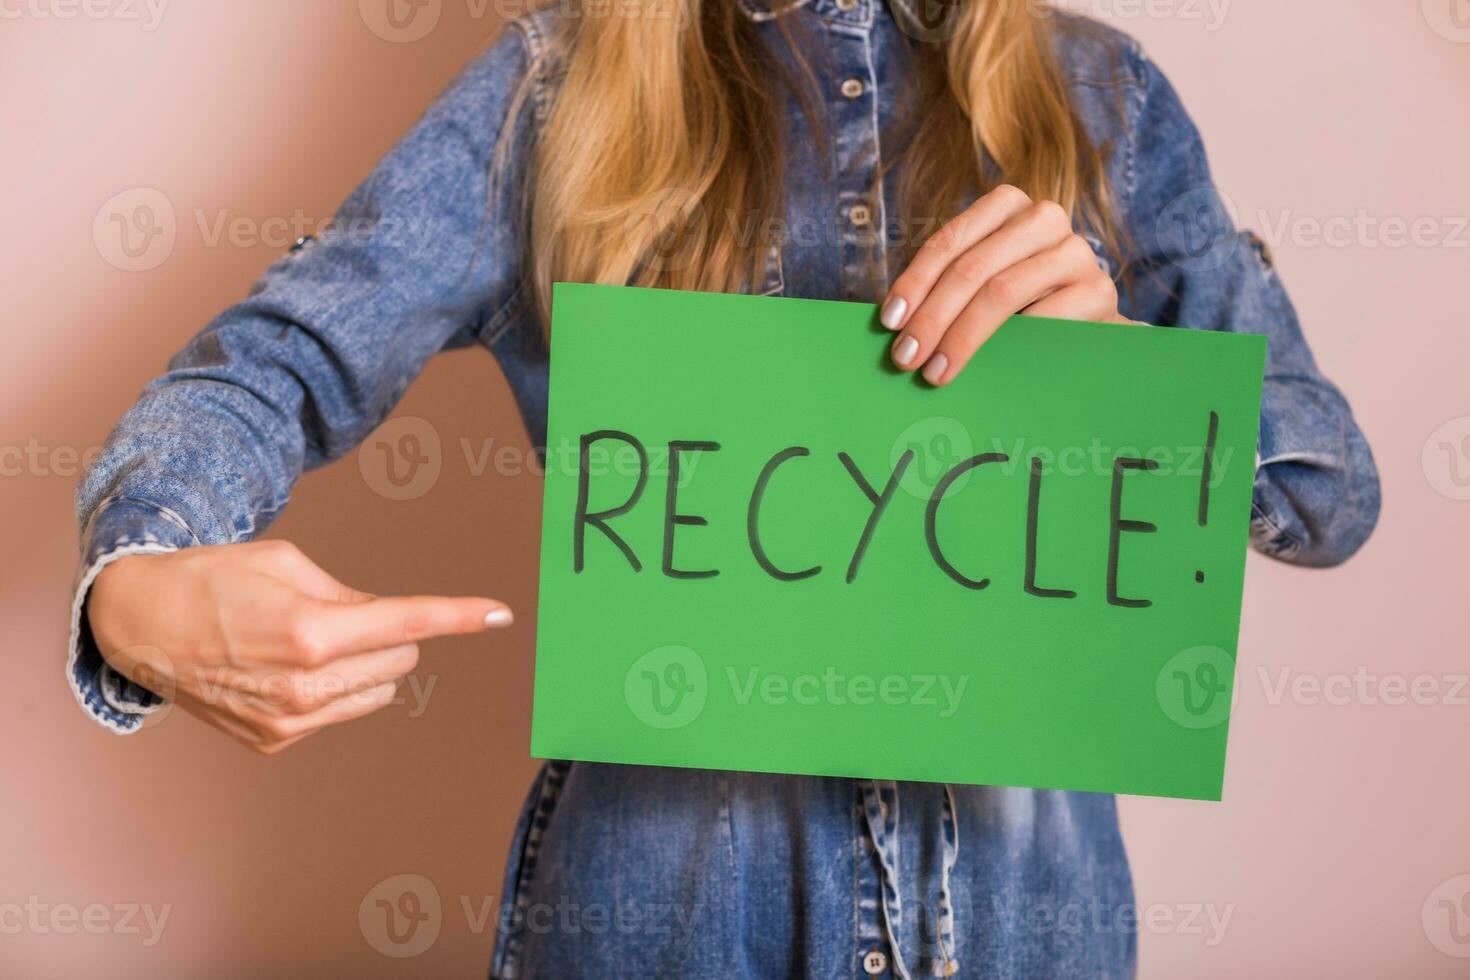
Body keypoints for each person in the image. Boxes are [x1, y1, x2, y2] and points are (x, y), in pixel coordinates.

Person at [71, 1, 1380, 975]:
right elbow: (277, 360)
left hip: (1030, 924)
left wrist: (1133, 385)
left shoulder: (1100, 98)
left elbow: (1329, 494)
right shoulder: (551, 90)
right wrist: (135, 580)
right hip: (667, 919)